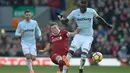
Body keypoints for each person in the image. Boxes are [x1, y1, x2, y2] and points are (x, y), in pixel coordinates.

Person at [56, 0, 112, 73]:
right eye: (81, 7)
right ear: (79, 6)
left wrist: (107, 25)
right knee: (70, 53)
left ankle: (81, 69)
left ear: (86, 6)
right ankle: (64, 71)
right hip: (78, 35)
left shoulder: (91, 11)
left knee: (84, 54)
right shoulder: (74, 12)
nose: (82, 9)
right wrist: (61, 18)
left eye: (83, 7)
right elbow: (65, 21)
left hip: (88, 37)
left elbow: (99, 18)